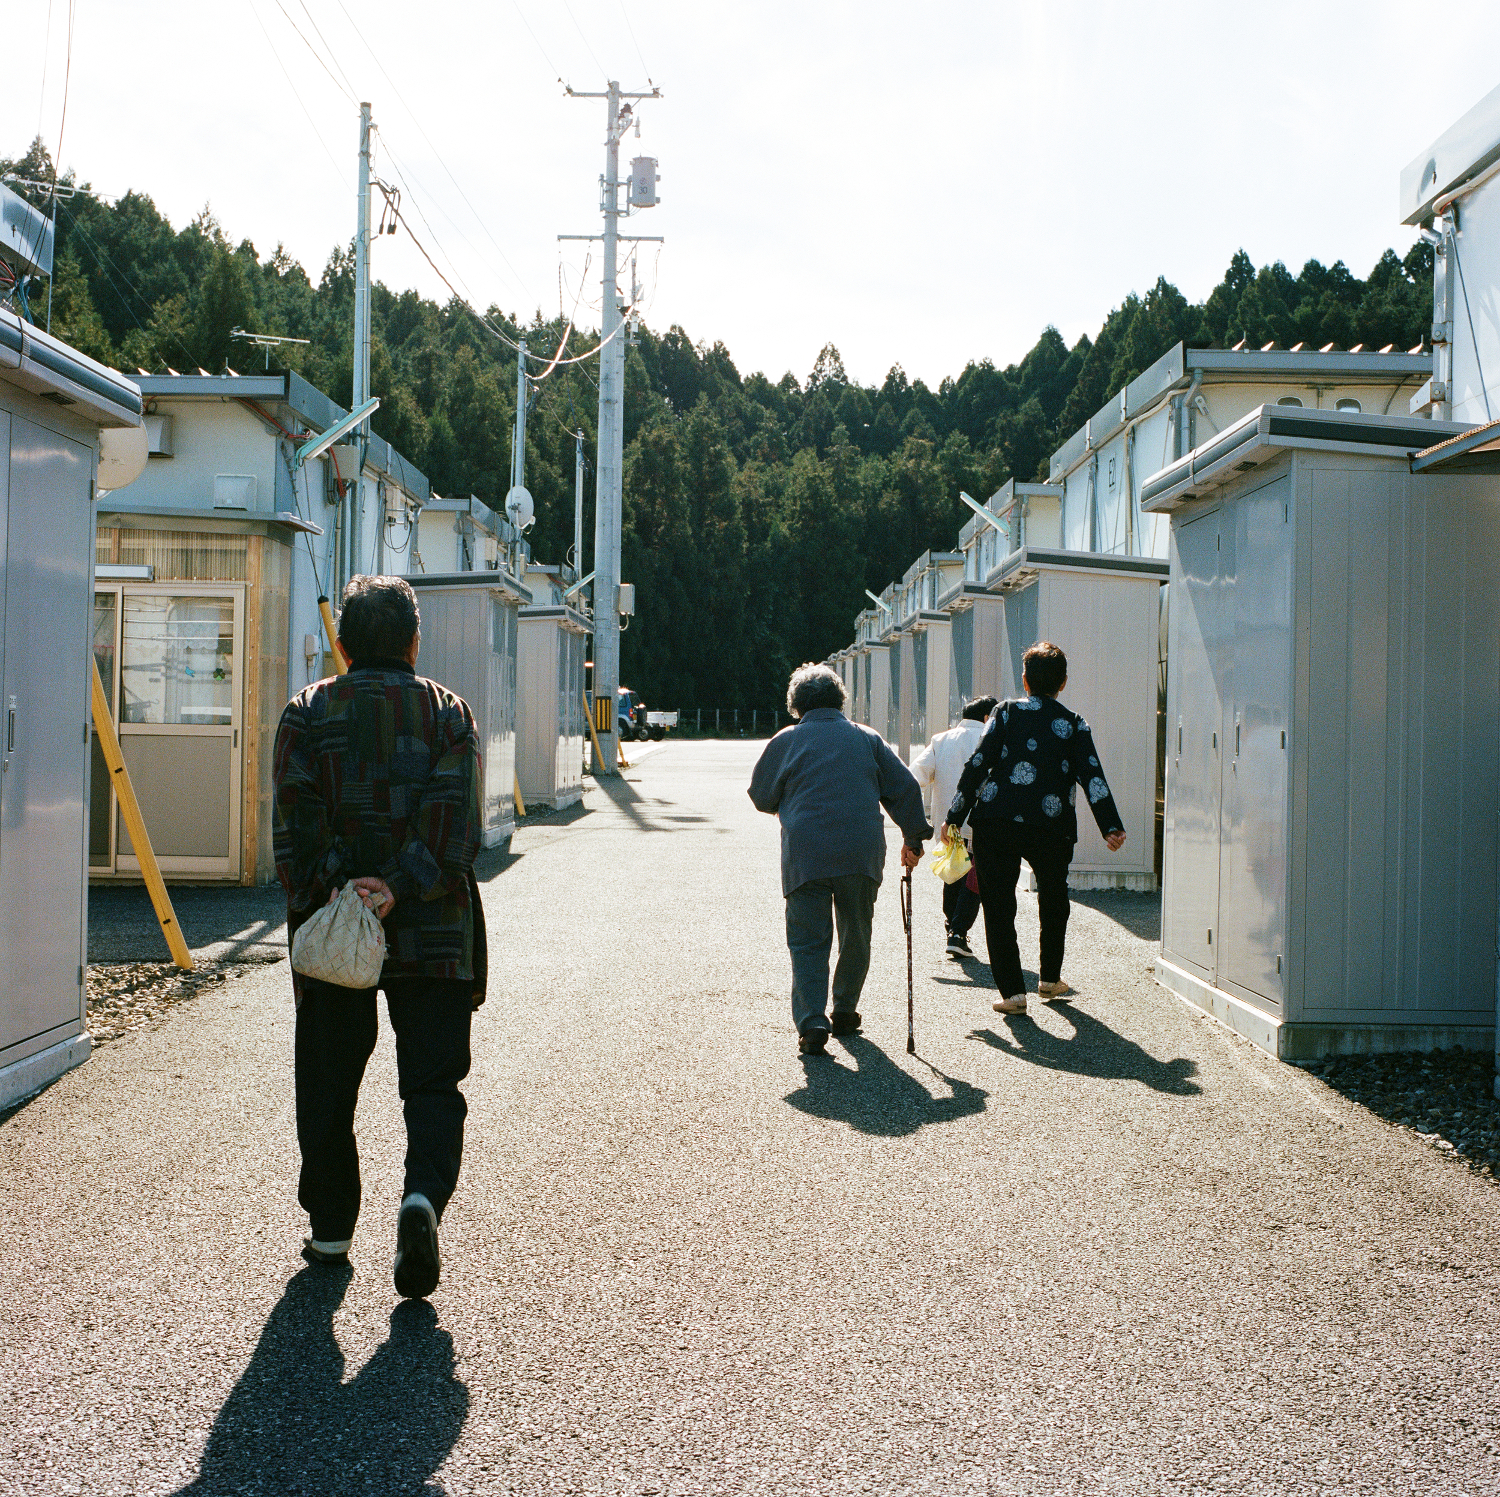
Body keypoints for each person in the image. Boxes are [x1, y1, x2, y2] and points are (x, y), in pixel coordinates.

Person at [273, 575, 487, 1300]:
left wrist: (347, 888)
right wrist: (398, 882)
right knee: (432, 1082)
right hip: (434, 931)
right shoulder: (449, 715)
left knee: (329, 1080)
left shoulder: (307, 714)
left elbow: (295, 830)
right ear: (413, 642)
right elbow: (457, 826)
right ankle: (421, 1198)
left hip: (337, 932)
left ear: (341, 643)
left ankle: (332, 1226)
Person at [748, 662, 931, 1054]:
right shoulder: (867, 739)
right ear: (840, 700)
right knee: (856, 933)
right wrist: (912, 836)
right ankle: (845, 1010)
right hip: (859, 852)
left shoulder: (787, 740)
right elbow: (904, 787)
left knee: (808, 941)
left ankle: (813, 1021)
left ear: (796, 704)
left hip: (806, 855)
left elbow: (761, 795)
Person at [945, 641, 1125, 1016]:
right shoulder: (1074, 723)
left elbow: (978, 764)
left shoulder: (1005, 712)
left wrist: (954, 817)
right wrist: (1110, 824)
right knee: (1054, 900)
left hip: (997, 819)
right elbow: (1092, 773)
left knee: (998, 904)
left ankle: (1012, 993)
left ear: (1025, 681)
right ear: (1063, 684)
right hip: (1051, 823)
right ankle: (1048, 978)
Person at [909, 695, 997, 959]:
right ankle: (958, 931)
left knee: (954, 873)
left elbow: (915, 777)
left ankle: (952, 926)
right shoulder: (992, 737)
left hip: (949, 825)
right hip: (983, 822)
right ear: (986, 718)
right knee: (976, 877)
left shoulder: (941, 740)